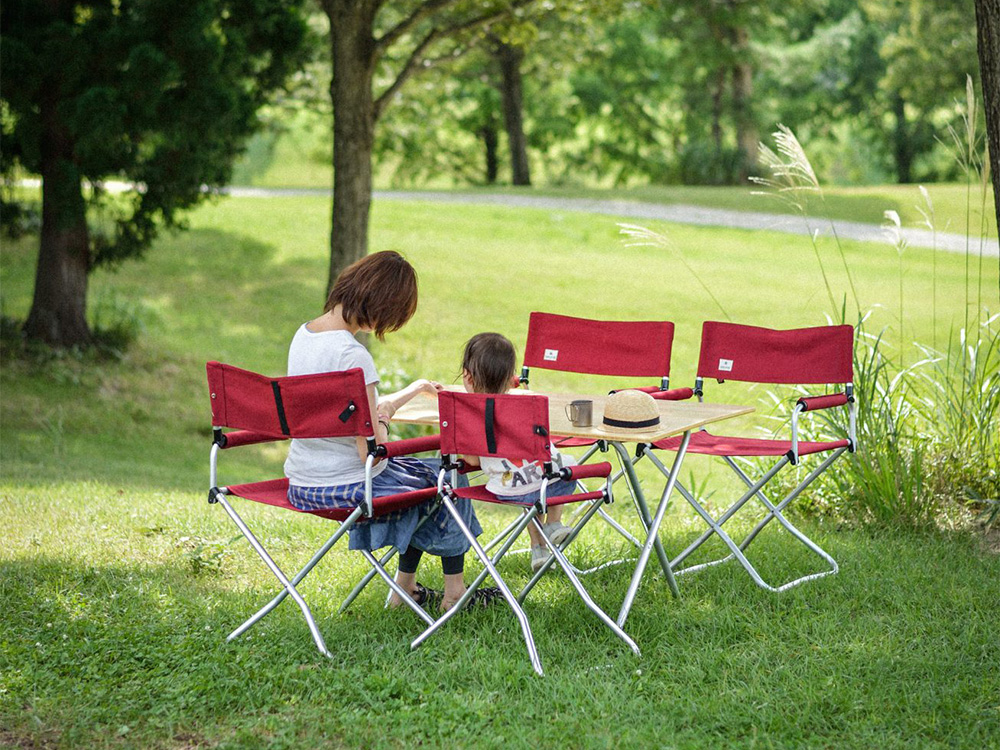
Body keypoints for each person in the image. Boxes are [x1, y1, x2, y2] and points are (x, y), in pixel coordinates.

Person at [285, 251, 500, 612]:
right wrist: (384, 422)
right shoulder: (352, 357)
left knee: (432, 479)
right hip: (348, 484)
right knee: (449, 477)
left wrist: (409, 391)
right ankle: (453, 594)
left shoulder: (304, 336)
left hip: (303, 479)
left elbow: (350, 416)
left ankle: (406, 588)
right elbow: (371, 450)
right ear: (381, 306)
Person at [458, 332, 576, 573]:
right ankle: (552, 524)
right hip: (550, 484)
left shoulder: (468, 413)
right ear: (510, 376)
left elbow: (471, 461)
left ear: (467, 375)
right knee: (561, 467)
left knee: (521, 484)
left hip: (509, 489)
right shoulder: (526, 403)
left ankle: (538, 547)